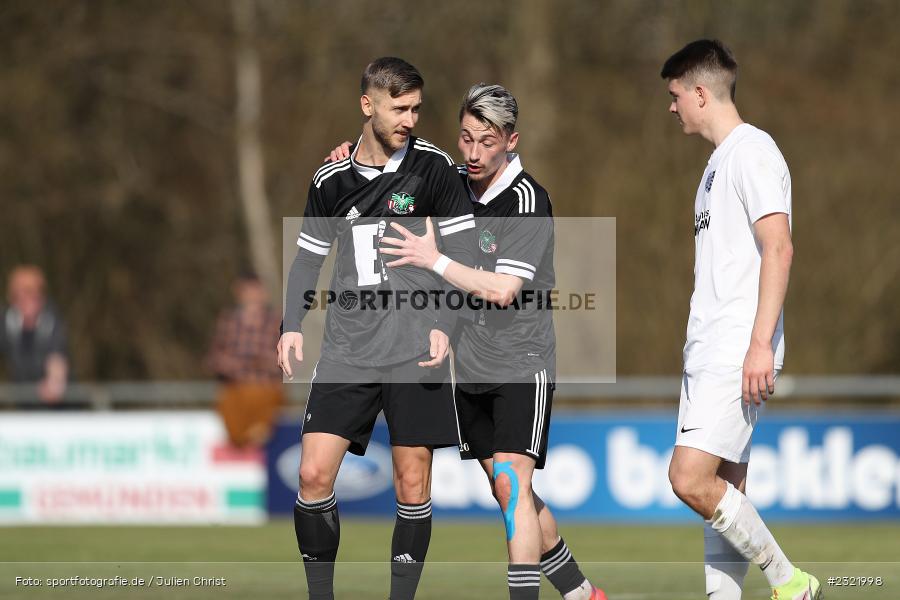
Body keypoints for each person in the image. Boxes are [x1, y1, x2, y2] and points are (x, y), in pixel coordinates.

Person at [376, 84, 606, 600]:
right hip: (470, 364)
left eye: (486, 141)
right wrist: (352, 150)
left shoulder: (528, 200)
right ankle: (583, 593)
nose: (473, 153)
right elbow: (397, 165)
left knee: (511, 482)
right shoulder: (455, 184)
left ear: (511, 141)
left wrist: (433, 259)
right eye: (465, 138)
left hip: (522, 362)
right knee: (511, 491)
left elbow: (502, 289)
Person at [277, 57, 477, 600]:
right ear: (368, 106)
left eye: (416, 108)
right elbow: (306, 259)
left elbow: (464, 254)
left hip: (417, 351)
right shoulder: (330, 178)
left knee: (412, 485)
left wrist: (445, 325)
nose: (411, 119)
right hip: (347, 350)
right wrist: (291, 325)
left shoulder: (434, 168)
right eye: (399, 108)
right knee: (313, 476)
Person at [659, 40, 819, 599]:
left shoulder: (752, 151)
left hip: (736, 347)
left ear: (700, 92)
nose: (671, 107)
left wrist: (758, 345)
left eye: (676, 95)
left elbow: (779, 247)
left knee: (688, 478)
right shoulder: (715, 164)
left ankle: (790, 581)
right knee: (727, 488)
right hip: (711, 346)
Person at [206, 271, 284, 448]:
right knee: (236, 440)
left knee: (263, 439)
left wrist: (262, 361)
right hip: (235, 391)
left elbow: (289, 360)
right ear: (239, 293)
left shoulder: (277, 321)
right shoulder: (228, 321)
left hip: (267, 392)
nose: (253, 295)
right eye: (248, 291)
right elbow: (214, 358)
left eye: (256, 290)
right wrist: (234, 366)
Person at [0, 265, 68, 407]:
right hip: (22, 403)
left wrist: (54, 382)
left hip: (56, 409)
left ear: (41, 296)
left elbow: (56, 357)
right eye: (18, 295)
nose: (25, 300)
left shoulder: (51, 320)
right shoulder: (6, 321)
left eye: (31, 293)